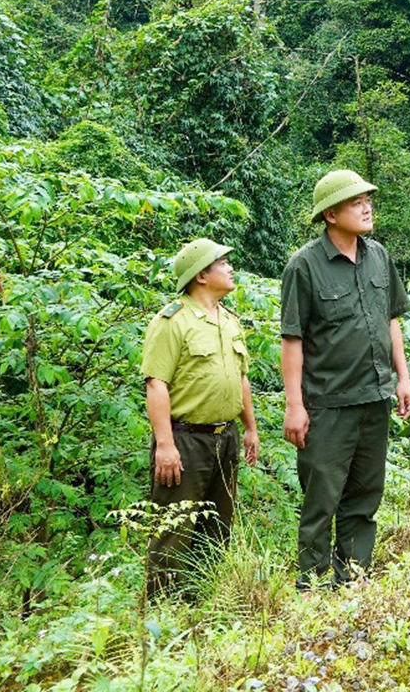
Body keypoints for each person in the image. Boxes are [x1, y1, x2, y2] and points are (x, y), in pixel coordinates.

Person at [280, 169, 410, 588]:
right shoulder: (304, 266)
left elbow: (391, 320)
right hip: (327, 404)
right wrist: (294, 405)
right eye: (356, 202)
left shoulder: (379, 256)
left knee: (364, 496)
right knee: (322, 499)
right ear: (331, 214)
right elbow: (293, 339)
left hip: (374, 398)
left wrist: (403, 379)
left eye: (367, 200)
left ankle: (352, 579)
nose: (366, 206)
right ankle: (314, 586)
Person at [141, 237, 260, 597]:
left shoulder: (229, 321)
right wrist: (165, 445)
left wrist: (250, 428)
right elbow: (156, 384)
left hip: (225, 439)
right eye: (222, 262)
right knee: (173, 531)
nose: (230, 267)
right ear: (201, 275)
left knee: (217, 526)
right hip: (185, 441)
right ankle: (162, 612)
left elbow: (240, 379)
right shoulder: (172, 321)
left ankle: (202, 604)